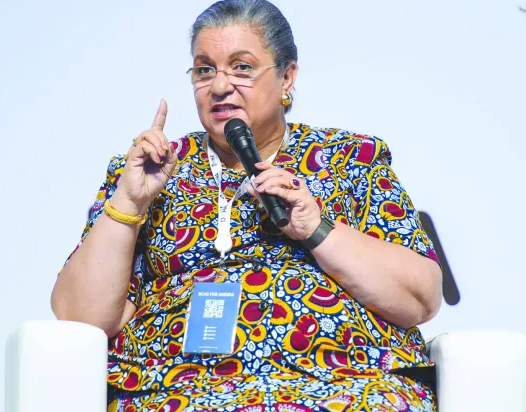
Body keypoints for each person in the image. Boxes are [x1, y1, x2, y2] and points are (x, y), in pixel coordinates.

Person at [51, 0, 443, 410]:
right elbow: (81, 318)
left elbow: (420, 297)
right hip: (177, 388)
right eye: (204, 70)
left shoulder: (348, 159)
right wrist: (129, 202)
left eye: (242, 67)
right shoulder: (150, 168)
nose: (219, 86)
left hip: (346, 380)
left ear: (287, 77)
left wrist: (317, 230)